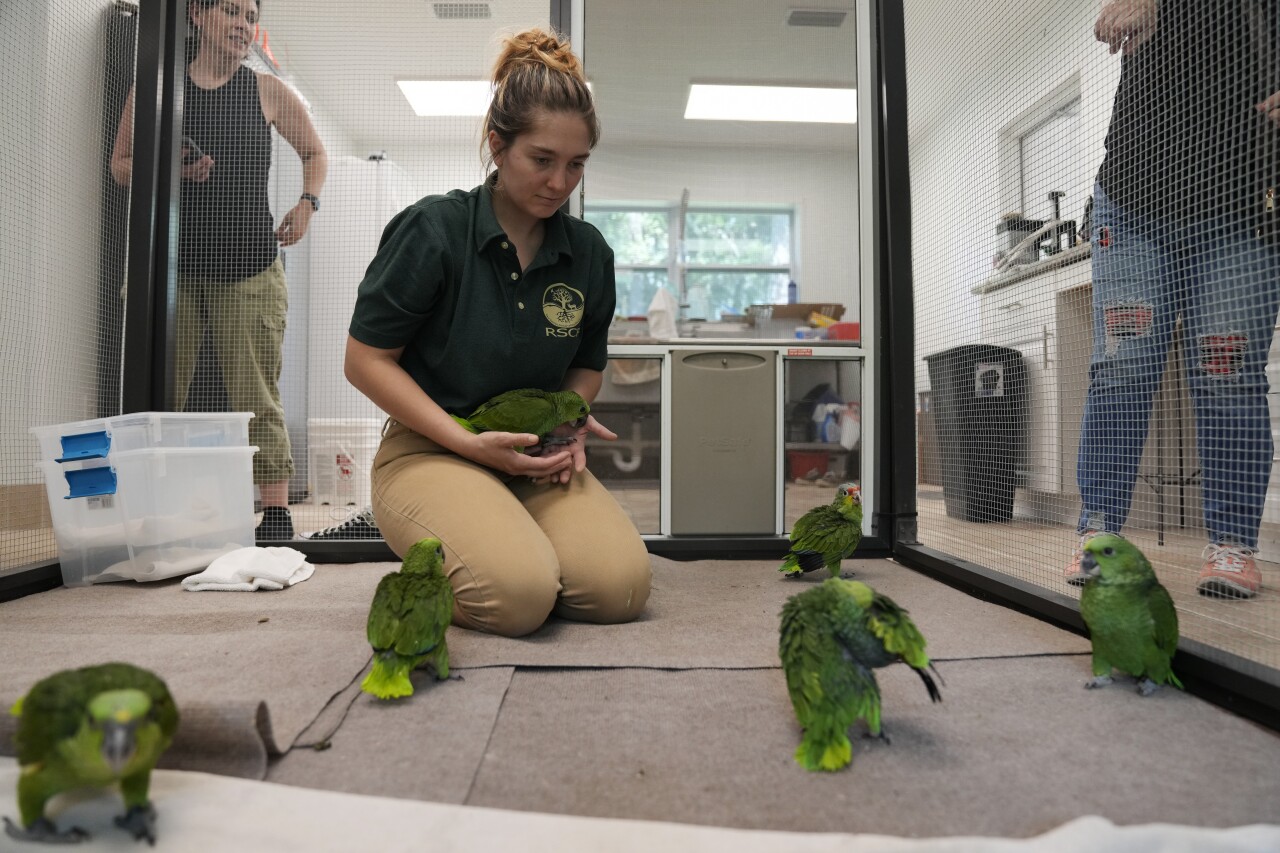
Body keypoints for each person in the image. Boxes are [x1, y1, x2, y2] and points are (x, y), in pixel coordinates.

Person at [344, 28, 651, 637]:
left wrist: (566, 425)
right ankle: (481, 544)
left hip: (534, 455)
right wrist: (468, 447)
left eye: (576, 165)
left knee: (620, 590)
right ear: (497, 145)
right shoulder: (434, 230)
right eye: (542, 160)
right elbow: (365, 360)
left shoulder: (589, 253)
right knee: (518, 598)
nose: (560, 183)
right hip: (430, 450)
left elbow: (587, 367)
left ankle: (499, 532)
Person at [1067, 0, 1280, 598]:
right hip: (1134, 195)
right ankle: (1100, 534)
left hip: (1244, 197)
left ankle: (1233, 545)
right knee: (1122, 369)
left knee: (1227, 371)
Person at [111, 0, 327, 542]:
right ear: (198, 17)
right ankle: (146, 507)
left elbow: (314, 154)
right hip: (171, 269)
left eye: (250, 16)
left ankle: (275, 511)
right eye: (231, 11)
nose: (243, 24)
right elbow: (119, 167)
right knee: (160, 393)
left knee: (257, 391)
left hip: (250, 266)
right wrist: (172, 169)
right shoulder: (159, 89)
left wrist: (306, 204)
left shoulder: (268, 91)